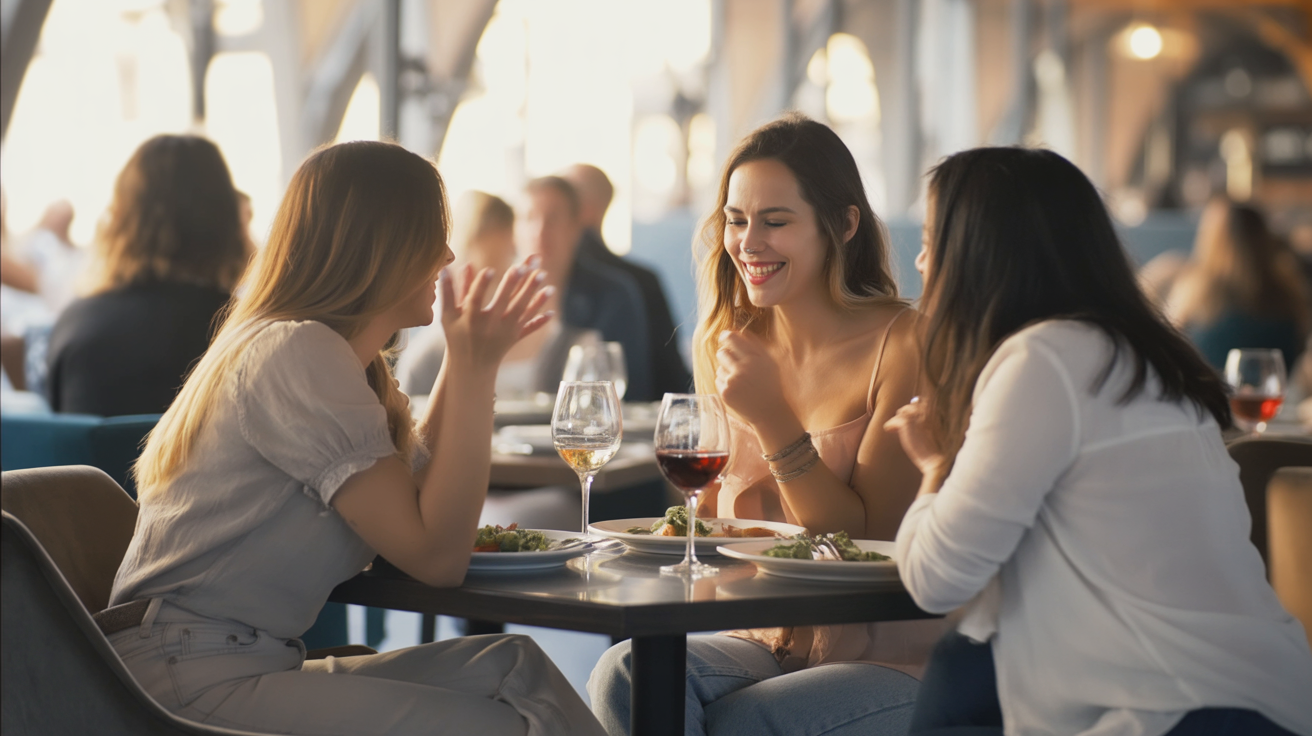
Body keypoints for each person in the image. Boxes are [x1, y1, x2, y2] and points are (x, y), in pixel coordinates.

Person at [105, 140, 606, 735]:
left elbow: (420, 494)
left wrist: (466, 358)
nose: (447, 255)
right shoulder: (294, 353)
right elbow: (437, 558)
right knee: (498, 727)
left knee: (515, 666)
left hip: (233, 658)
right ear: (382, 247)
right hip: (187, 675)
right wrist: (474, 366)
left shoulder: (336, 359)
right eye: (430, 235)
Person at [886, 147, 1312, 736]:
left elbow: (936, 579)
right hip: (1260, 695)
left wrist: (934, 467)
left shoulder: (1045, 360)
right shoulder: (1146, 358)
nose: (922, 259)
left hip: (1185, 711)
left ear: (980, 253)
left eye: (934, 240)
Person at [589, 114, 929, 735]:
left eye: (775, 222)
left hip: (888, 645)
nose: (748, 243)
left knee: (744, 721)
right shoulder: (726, 341)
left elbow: (870, 545)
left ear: (844, 226)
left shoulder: (904, 342)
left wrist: (773, 420)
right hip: (760, 630)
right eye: (736, 221)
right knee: (626, 675)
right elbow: (715, 518)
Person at [45, 135, 252, 416]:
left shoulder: (73, 320)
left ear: (120, 218)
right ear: (224, 220)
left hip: (94, 461)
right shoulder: (239, 328)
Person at [396, 190, 600, 399]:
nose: (487, 292)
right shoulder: (428, 357)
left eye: (497, 273)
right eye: (478, 274)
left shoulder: (566, 342)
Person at [562, 164, 693, 396]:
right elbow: (674, 376)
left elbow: (665, 375)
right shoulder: (644, 279)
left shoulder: (625, 286)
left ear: (584, 210)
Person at [521, 175, 653, 401]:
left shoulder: (613, 295)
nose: (540, 230)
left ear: (576, 227)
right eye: (530, 217)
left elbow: (633, 390)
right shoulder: (499, 296)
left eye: (553, 218)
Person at [1165, 197, 1310, 370]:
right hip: (1276, 390)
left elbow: (1172, 350)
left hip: (1208, 393)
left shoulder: (1193, 295)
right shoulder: (1289, 293)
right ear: (1264, 237)